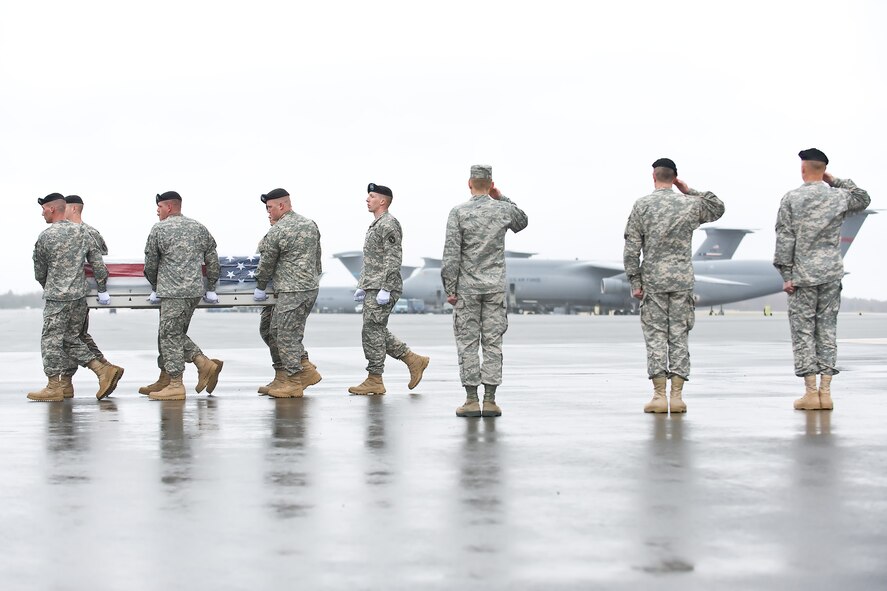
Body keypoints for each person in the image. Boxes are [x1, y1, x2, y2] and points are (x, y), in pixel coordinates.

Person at [623, 158, 725, 414]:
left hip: (653, 282)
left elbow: (631, 248)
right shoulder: (689, 204)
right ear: (674, 177)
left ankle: (659, 396)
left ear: (653, 177)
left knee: (656, 336)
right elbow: (717, 207)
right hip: (681, 280)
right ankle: (677, 397)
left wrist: (635, 281)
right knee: (679, 335)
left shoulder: (643, 205)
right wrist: (688, 189)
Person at [774, 148, 871, 411]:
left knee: (803, 332)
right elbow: (863, 198)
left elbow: (785, 238)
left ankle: (810, 392)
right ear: (823, 170)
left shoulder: (792, 198)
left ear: (803, 168)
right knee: (827, 331)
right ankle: (826, 393)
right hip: (830, 273)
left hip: (803, 276)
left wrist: (786, 275)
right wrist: (835, 181)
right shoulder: (838, 196)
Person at [442, 165, 528, 417]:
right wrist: (501, 197)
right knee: (492, 342)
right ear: (490, 184)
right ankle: (490, 400)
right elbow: (522, 220)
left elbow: (451, 254)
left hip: (467, 289)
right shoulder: (502, 209)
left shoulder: (458, 212)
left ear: (470, 183)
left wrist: (450, 287)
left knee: (468, 342)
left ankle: (470, 400)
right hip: (494, 287)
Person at [29, 193, 123, 402]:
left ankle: (54, 386)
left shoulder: (46, 236)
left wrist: (50, 286)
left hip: (58, 297)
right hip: (80, 296)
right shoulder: (83, 232)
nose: (42, 212)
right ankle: (101, 370)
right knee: (72, 338)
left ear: (52, 209)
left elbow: (39, 271)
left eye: (44, 208)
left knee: (51, 341)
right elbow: (99, 265)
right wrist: (101, 289)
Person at [140, 191, 223, 401]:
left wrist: (155, 285)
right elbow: (212, 259)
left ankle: (183, 378)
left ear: (168, 207)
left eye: (159, 207)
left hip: (172, 291)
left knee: (170, 335)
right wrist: (211, 286)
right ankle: (166, 378)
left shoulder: (160, 228)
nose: (157, 211)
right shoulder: (198, 227)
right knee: (172, 333)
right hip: (194, 291)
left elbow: (150, 263)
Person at [349, 183, 430, 395]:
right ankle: (413, 360)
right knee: (374, 330)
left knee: (372, 330)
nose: (367, 199)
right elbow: (373, 259)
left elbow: (393, 258)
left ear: (382, 201)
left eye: (372, 196)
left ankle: (375, 379)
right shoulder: (376, 224)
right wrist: (362, 285)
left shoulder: (389, 224)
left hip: (383, 287)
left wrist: (385, 287)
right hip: (372, 286)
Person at [253, 188, 322, 398]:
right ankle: (286, 376)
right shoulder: (310, 225)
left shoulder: (278, 230)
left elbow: (266, 262)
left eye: (270, 207)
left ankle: (294, 381)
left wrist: (260, 285)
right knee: (275, 331)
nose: (268, 212)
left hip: (292, 289)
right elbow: (318, 257)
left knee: (286, 335)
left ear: (282, 206)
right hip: (309, 287)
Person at [62, 194, 123, 398]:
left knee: (69, 336)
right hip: (81, 292)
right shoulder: (90, 232)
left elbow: (98, 263)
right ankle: (104, 368)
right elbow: (102, 255)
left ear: (73, 209)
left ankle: (100, 371)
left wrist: (101, 288)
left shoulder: (80, 232)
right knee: (78, 335)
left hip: (74, 293)